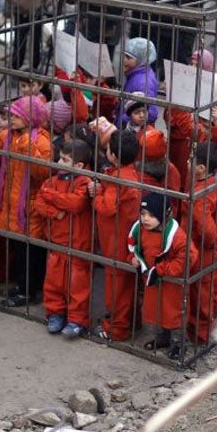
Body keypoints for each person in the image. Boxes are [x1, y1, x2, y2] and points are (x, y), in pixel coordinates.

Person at [0, 95, 52, 306]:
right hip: (12, 203)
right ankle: (23, 286)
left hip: (30, 205)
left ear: (29, 117)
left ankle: (29, 291)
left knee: (31, 251)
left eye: (17, 115)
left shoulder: (41, 141)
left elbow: (43, 172)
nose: (12, 118)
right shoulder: (8, 136)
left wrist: (28, 148)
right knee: (19, 247)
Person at [34, 139, 94, 338]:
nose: (59, 163)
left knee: (77, 284)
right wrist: (54, 212)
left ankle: (77, 319)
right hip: (56, 240)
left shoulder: (84, 182)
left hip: (78, 242)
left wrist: (50, 196)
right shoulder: (52, 180)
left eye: (65, 160)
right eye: (60, 158)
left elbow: (76, 203)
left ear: (79, 166)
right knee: (54, 281)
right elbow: (38, 204)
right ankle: (55, 313)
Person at [128, 192, 197, 359]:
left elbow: (188, 258)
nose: (145, 219)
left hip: (172, 282)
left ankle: (179, 344)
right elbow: (135, 248)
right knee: (158, 311)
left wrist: (163, 269)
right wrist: (133, 258)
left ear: (164, 215)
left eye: (151, 215)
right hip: (154, 280)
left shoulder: (177, 236)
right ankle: (163, 338)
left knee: (174, 313)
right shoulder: (141, 230)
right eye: (143, 214)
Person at [181, 143, 217, 345]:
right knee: (212, 286)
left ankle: (200, 335)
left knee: (200, 292)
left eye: (191, 160)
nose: (187, 162)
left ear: (201, 168)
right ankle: (211, 321)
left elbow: (205, 228)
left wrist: (215, 237)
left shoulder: (200, 195)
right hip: (216, 247)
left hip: (202, 248)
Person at [89, 129, 142, 341]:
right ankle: (132, 322)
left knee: (116, 285)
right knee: (127, 283)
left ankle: (115, 329)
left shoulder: (118, 179)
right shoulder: (130, 173)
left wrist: (97, 192)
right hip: (126, 235)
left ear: (114, 155)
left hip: (116, 238)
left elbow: (107, 207)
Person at [118, 37, 159, 126]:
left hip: (134, 133)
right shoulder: (135, 74)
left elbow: (151, 112)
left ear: (141, 60)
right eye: (124, 56)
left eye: (129, 57)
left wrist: (124, 120)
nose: (124, 60)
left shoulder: (143, 83)